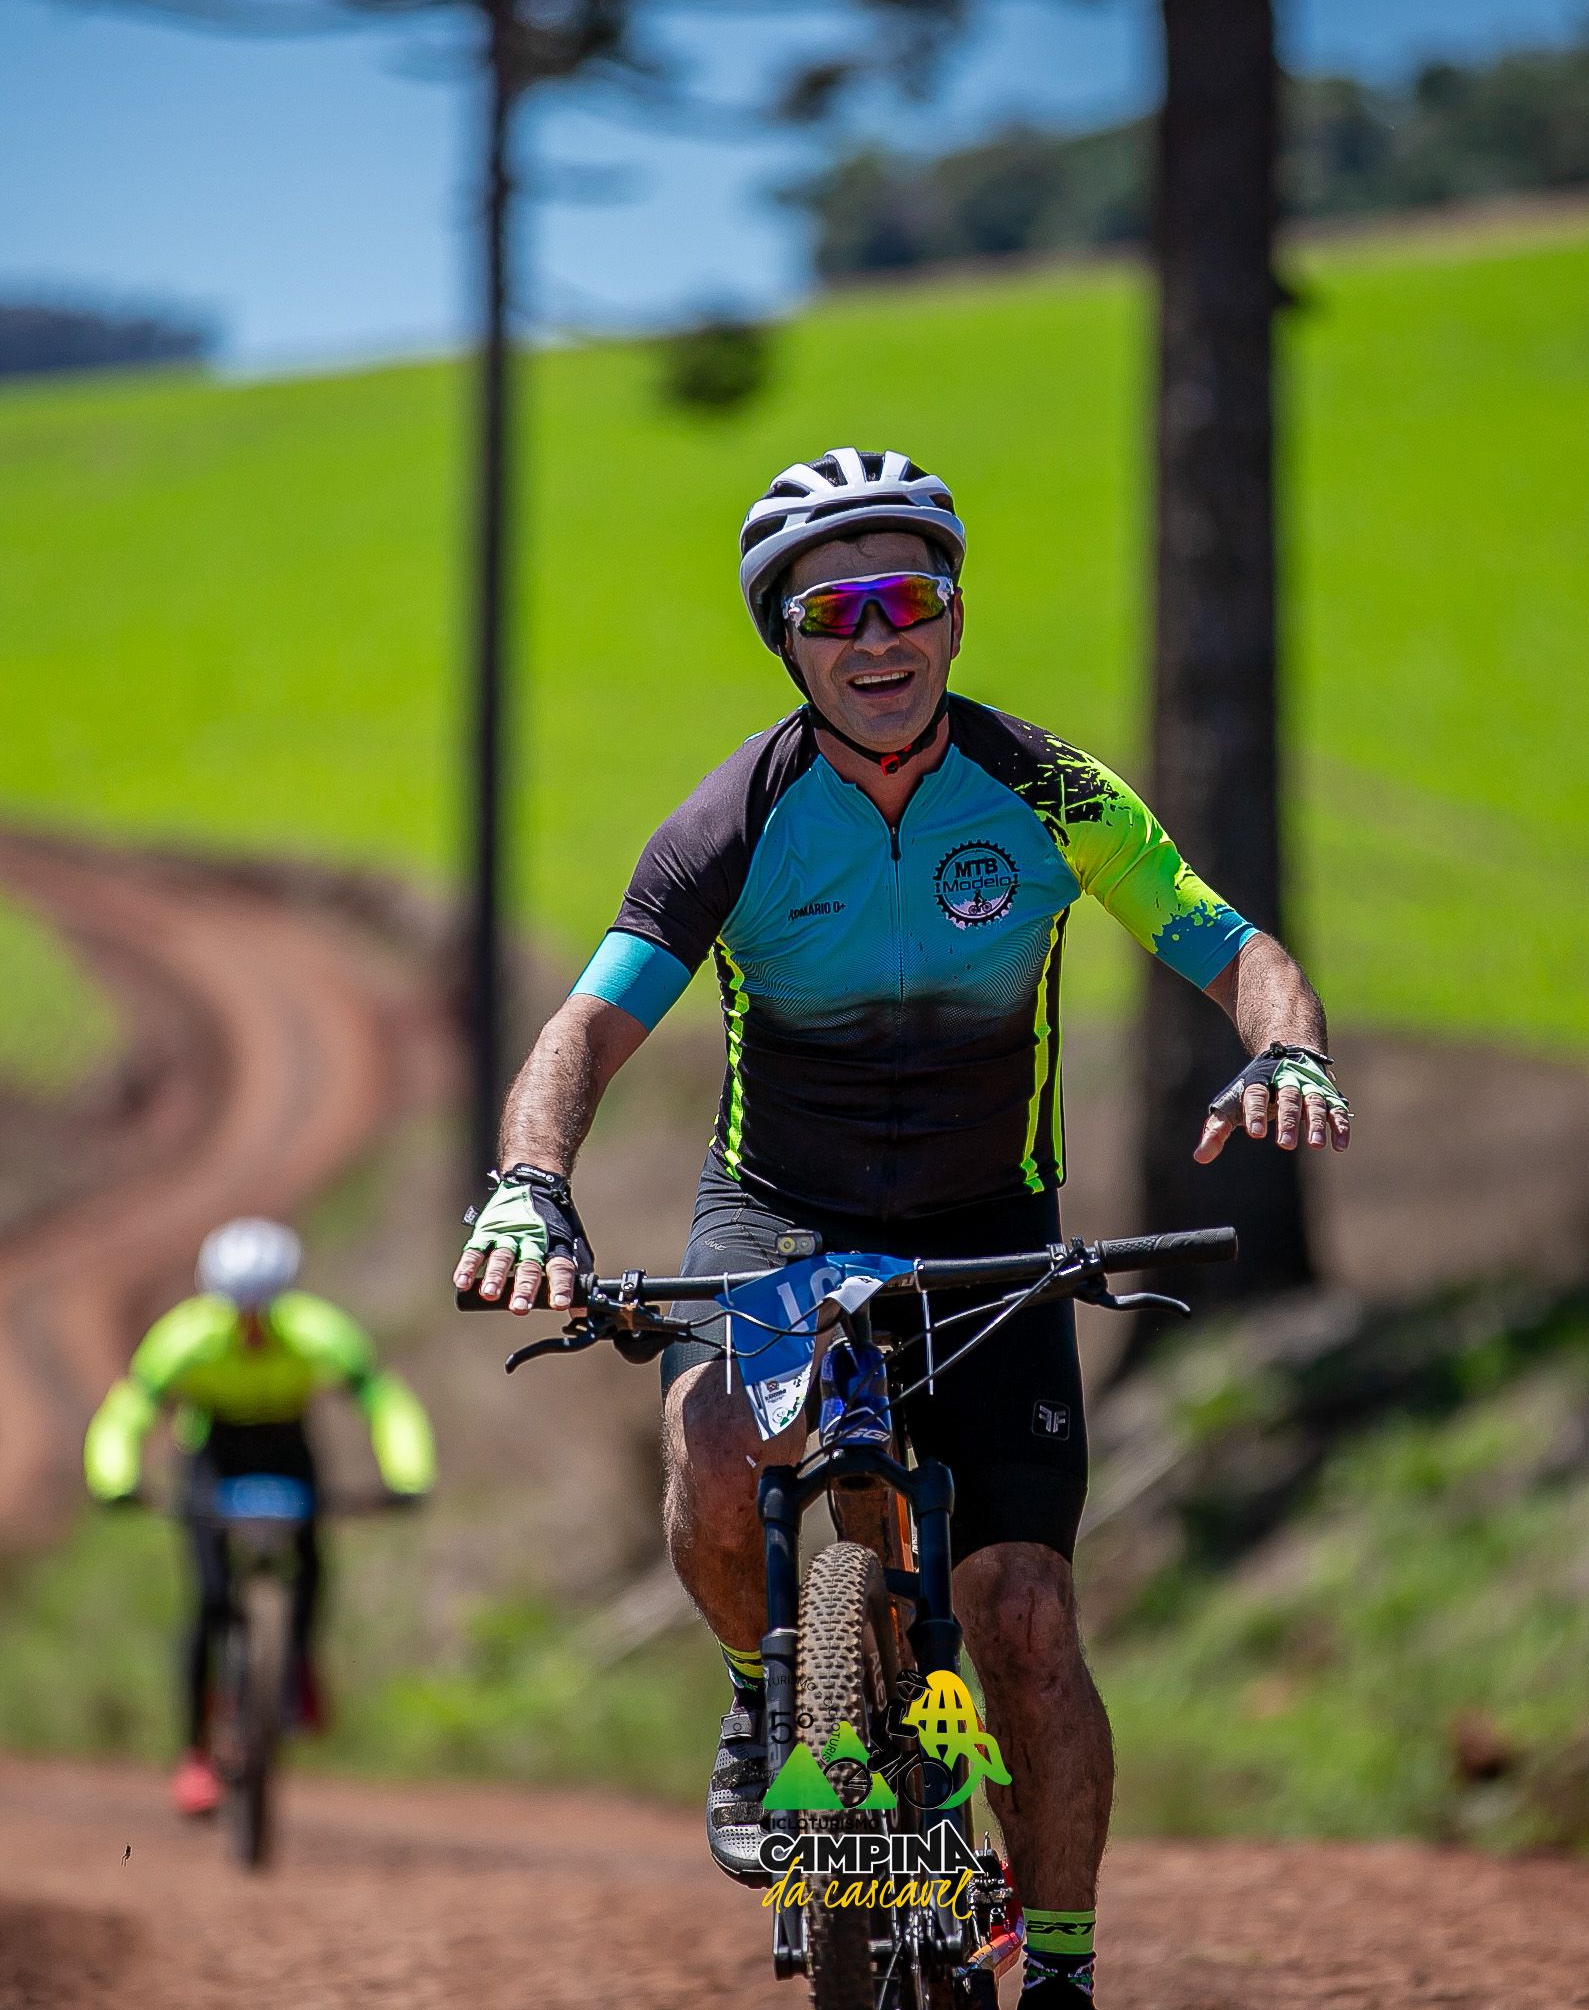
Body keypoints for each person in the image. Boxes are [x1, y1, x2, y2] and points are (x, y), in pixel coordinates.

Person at [453, 449, 1349, 2008]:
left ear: (954, 615)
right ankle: (763, 1693)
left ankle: (1056, 1971)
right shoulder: (734, 821)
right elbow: (584, 1031)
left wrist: (1286, 1049)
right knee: (717, 1453)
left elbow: (1230, 943)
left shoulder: (1050, 789)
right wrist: (531, 1182)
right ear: (787, 642)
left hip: (987, 1224)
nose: (878, 638)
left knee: (1026, 1620)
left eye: (908, 599)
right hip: (778, 1218)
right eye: (834, 611)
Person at [87, 1216, 436, 1818]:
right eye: (235, 1308)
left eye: (263, 1308)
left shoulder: (319, 1332)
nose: (250, 1322)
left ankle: (296, 1666)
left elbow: (382, 1400)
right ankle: (195, 1755)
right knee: (210, 1601)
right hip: (213, 1454)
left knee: (311, 1568)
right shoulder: (183, 1339)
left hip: (286, 1447)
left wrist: (408, 1473)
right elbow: (130, 1410)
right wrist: (113, 1477)